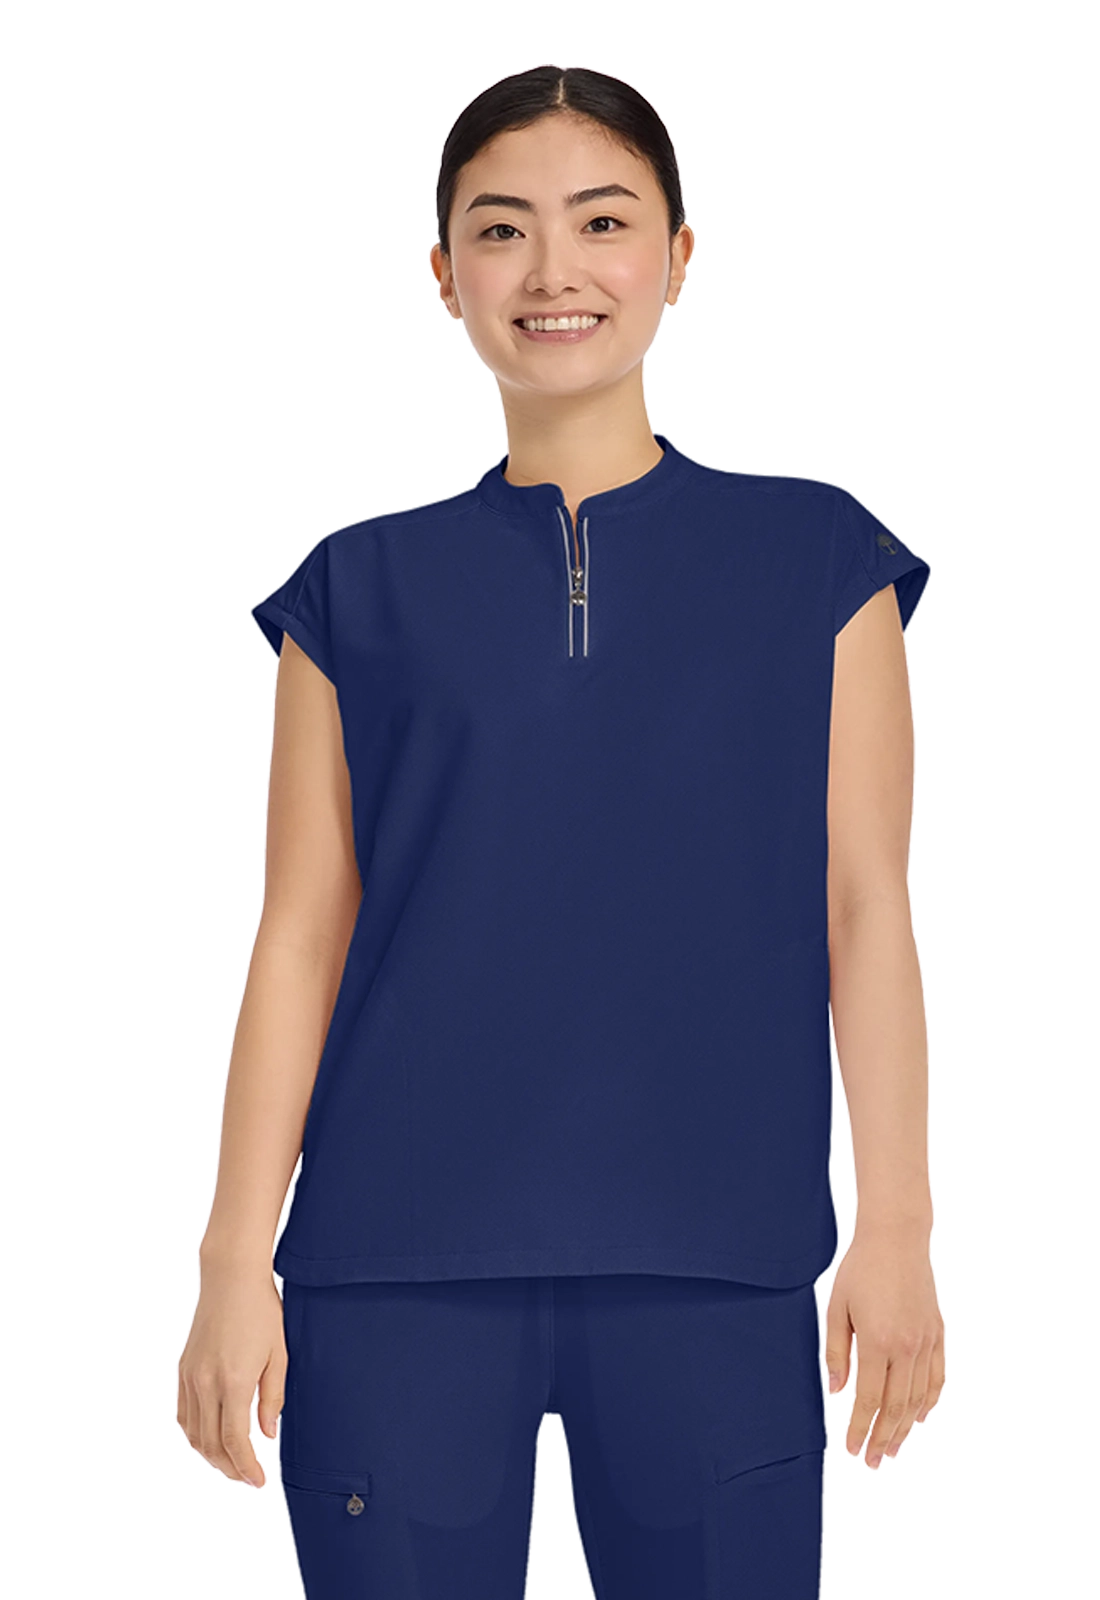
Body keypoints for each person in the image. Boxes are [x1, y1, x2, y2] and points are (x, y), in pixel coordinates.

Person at [177, 65, 944, 1598]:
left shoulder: (818, 558)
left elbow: (867, 903)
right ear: (443, 272)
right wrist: (230, 1264)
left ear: (678, 255)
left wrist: (900, 1238)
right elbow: (303, 934)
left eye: (601, 222)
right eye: (501, 228)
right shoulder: (356, 590)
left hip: (719, 1255)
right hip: (390, 1264)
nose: (552, 270)